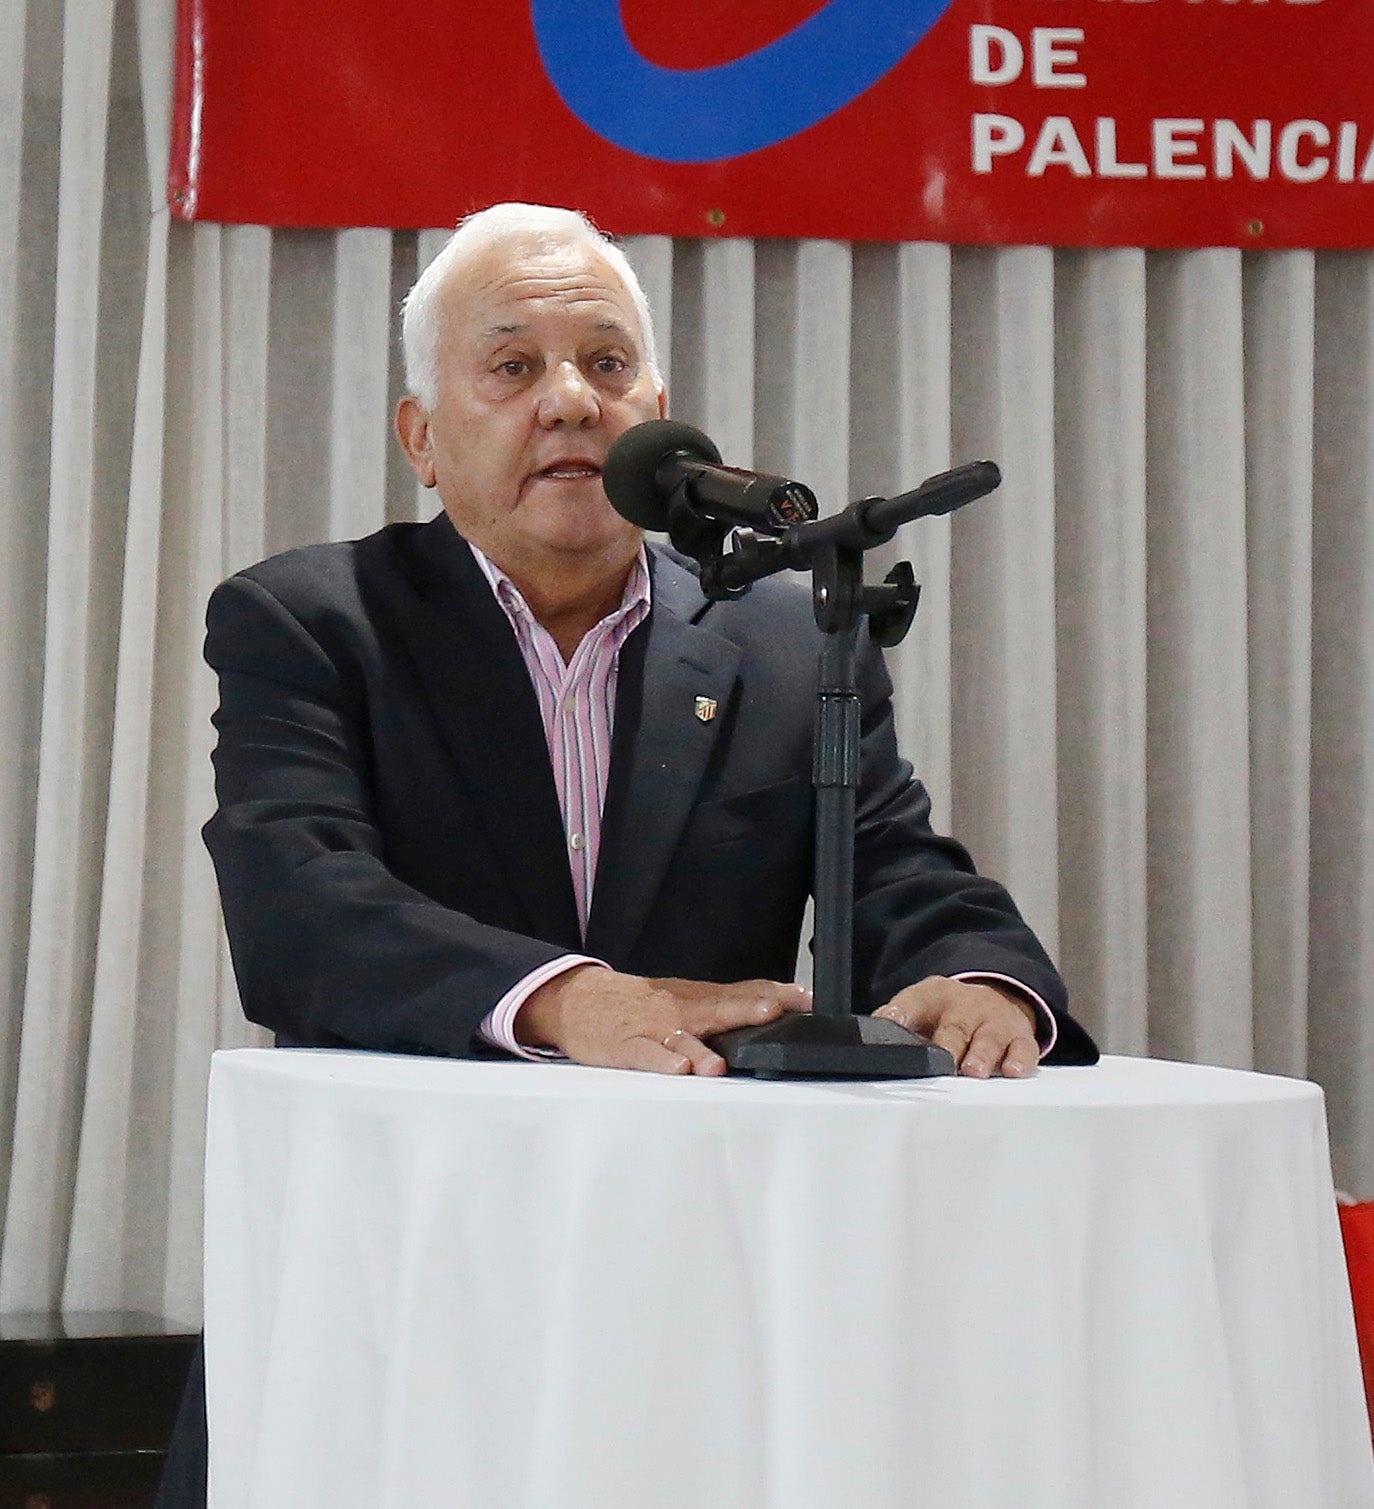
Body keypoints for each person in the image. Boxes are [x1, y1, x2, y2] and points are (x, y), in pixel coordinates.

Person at [155, 201, 1095, 1507]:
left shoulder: (781, 640)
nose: (567, 403)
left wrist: (985, 978)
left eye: (605, 367)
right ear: (421, 437)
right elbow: (298, 905)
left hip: (692, 1272)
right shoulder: (313, 621)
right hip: (406, 1254)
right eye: (511, 365)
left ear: (657, 413)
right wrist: (567, 997)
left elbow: (889, 863)